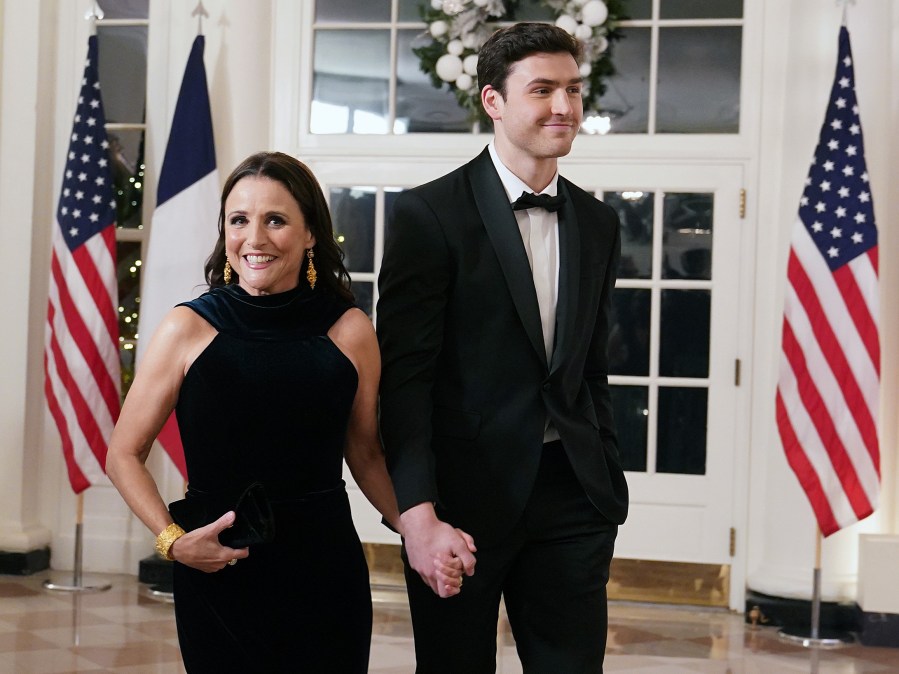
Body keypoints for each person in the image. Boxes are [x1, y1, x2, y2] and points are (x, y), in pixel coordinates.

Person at [106, 151, 461, 673]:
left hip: (324, 567)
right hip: (219, 565)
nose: (255, 238)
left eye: (275, 219)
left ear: (311, 232)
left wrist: (418, 531)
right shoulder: (186, 328)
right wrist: (172, 542)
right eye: (239, 220)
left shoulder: (350, 330)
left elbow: (364, 452)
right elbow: (123, 454)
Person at [376, 22, 629, 673]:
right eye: (542, 89)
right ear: (493, 101)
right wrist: (416, 514)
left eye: (572, 89)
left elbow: (589, 367)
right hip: (461, 503)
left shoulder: (598, 224)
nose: (564, 107)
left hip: (572, 499)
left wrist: (601, 470)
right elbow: (404, 383)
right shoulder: (427, 216)